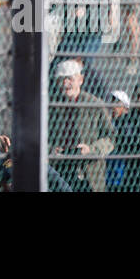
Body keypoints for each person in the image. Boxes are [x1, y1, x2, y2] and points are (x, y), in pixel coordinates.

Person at [49, 59, 115, 192]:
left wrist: (91, 149)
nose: (65, 83)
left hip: (88, 171)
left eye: (69, 79)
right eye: (60, 79)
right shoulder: (50, 107)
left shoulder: (94, 105)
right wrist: (51, 150)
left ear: (81, 80)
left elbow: (111, 137)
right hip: (61, 169)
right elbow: (39, 137)